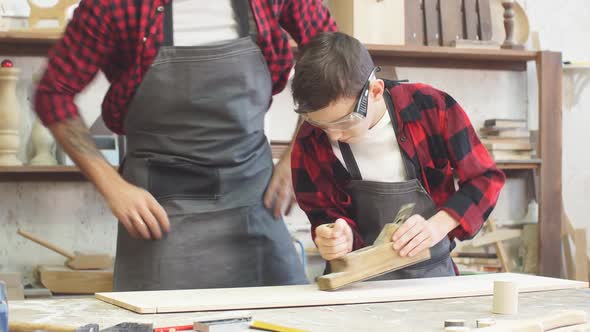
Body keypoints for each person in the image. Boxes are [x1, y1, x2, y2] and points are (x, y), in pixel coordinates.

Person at [34, 0, 337, 291]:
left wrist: (299, 154)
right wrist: (112, 186)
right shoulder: (114, 4)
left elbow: (334, 59)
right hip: (160, 217)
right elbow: (53, 94)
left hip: (254, 201)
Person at [290, 32, 506, 278]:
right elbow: (323, 214)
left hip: (432, 274)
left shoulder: (430, 108)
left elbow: (485, 179)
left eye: (345, 122)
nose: (333, 136)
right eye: (322, 125)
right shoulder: (310, 141)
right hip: (355, 282)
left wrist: (437, 226)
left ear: (375, 91)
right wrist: (337, 237)